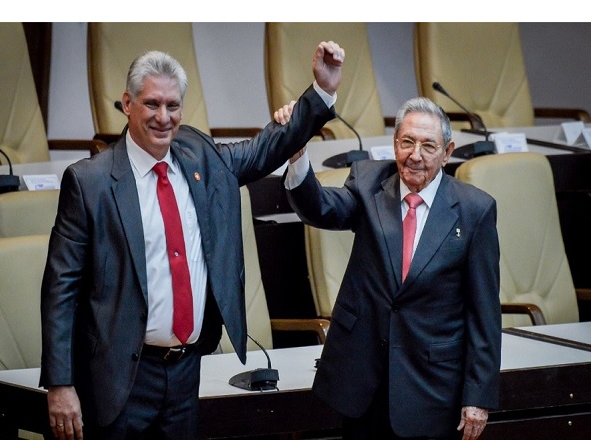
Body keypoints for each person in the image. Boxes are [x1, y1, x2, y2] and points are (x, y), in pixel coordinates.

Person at [40, 41, 345, 440]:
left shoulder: (199, 155)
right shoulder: (90, 182)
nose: (163, 117)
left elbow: (264, 149)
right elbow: (60, 288)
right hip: (118, 378)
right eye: (152, 104)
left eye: (173, 105)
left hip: (185, 372)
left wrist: (321, 91)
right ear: (127, 104)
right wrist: (60, 383)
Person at [279, 96, 501, 440]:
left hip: (431, 386)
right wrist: (296, 154)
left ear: (447, 152)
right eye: (407, 142)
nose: (415, 155)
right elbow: (320, 207)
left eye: (428, 146)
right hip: (363, 383)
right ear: (395, 142)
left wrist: (478, 395)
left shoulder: (475, 210)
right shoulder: (368, 182)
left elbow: (484, 313)